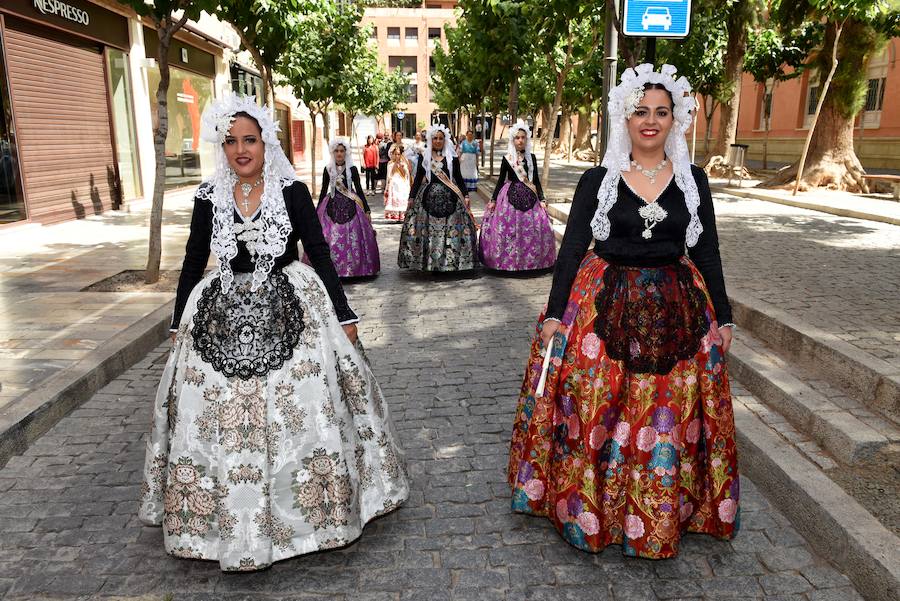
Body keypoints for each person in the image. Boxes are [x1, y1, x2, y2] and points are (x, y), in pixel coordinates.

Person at [138, 95, 409, 572]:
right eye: (231, 142)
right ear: (221, 147)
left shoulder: (293, 192)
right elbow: (191, 263)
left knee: (310, 404)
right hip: (220, 311)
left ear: (266, 143)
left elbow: (320, 255)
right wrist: (180, 323)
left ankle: (308, 514)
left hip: (293, 305)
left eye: (250, 140)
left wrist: (344, 316)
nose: (241, 149)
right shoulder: (207, 197)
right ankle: (223, 520)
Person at [506, 64, 739, 559]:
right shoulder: (599, 180)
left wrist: (725, 316)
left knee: (665, 415)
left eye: (660, 112)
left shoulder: (694, 180)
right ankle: (597, 510)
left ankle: (659, 511)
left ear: (676, 119)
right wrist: (552, 314)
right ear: (624, 119)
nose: (650, 121)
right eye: (640, 112)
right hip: (602, 307)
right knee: (599, 408)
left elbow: (708, 251)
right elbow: (571, 248)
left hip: (680, 313)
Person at [398, 123, 478, 272]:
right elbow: (417, 180)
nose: (438, 141)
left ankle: (450, 262)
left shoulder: (452, 158)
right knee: (428, 232)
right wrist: (411, 198)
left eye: (441, 138)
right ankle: (428, 262)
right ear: (430, 140)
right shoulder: (424, 157)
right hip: (427, 199)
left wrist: (466, 195)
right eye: (435, 138)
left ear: (445, 140)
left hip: (451, 200)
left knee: (450, 230)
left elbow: (459, 179)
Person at [479, 120, 556, 272]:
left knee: (532, 231)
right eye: (517, 138)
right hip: (509, 199)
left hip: (531, 199)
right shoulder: (507, 159)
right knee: (510, 231)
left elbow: (536, 181)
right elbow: (501, 180)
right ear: (513, 140)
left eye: (523, 137)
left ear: (526, 139)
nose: (520, 140)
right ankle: (510, 263)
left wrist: (542, 199)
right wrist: (493, 200)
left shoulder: (531, 158)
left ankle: (531, 262)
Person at [310, 137, 380, 277]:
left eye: (342, 151)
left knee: (354, 236)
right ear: (333, 152)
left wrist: (366, 209)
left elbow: (359, 190)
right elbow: (324, 190)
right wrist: (317, 212)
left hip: (351, 205)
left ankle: (356, 268)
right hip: (332, 205)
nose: (339, 154)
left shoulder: (352, 169)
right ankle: (333, 268)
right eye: (336, 151)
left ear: (346, 152)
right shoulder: (328, 169)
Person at [385, 144, 412, 221]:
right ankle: (395, 215)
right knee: (395, 198)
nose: (397, 156)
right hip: (394, 184)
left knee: (402, 198)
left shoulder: (404, 163)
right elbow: (389, 175)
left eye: (398, 154)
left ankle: (402, 215)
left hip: (402, 184)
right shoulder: (390, 163)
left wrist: (401, 167)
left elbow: (406, 175)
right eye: (395, 154)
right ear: (392, 154)